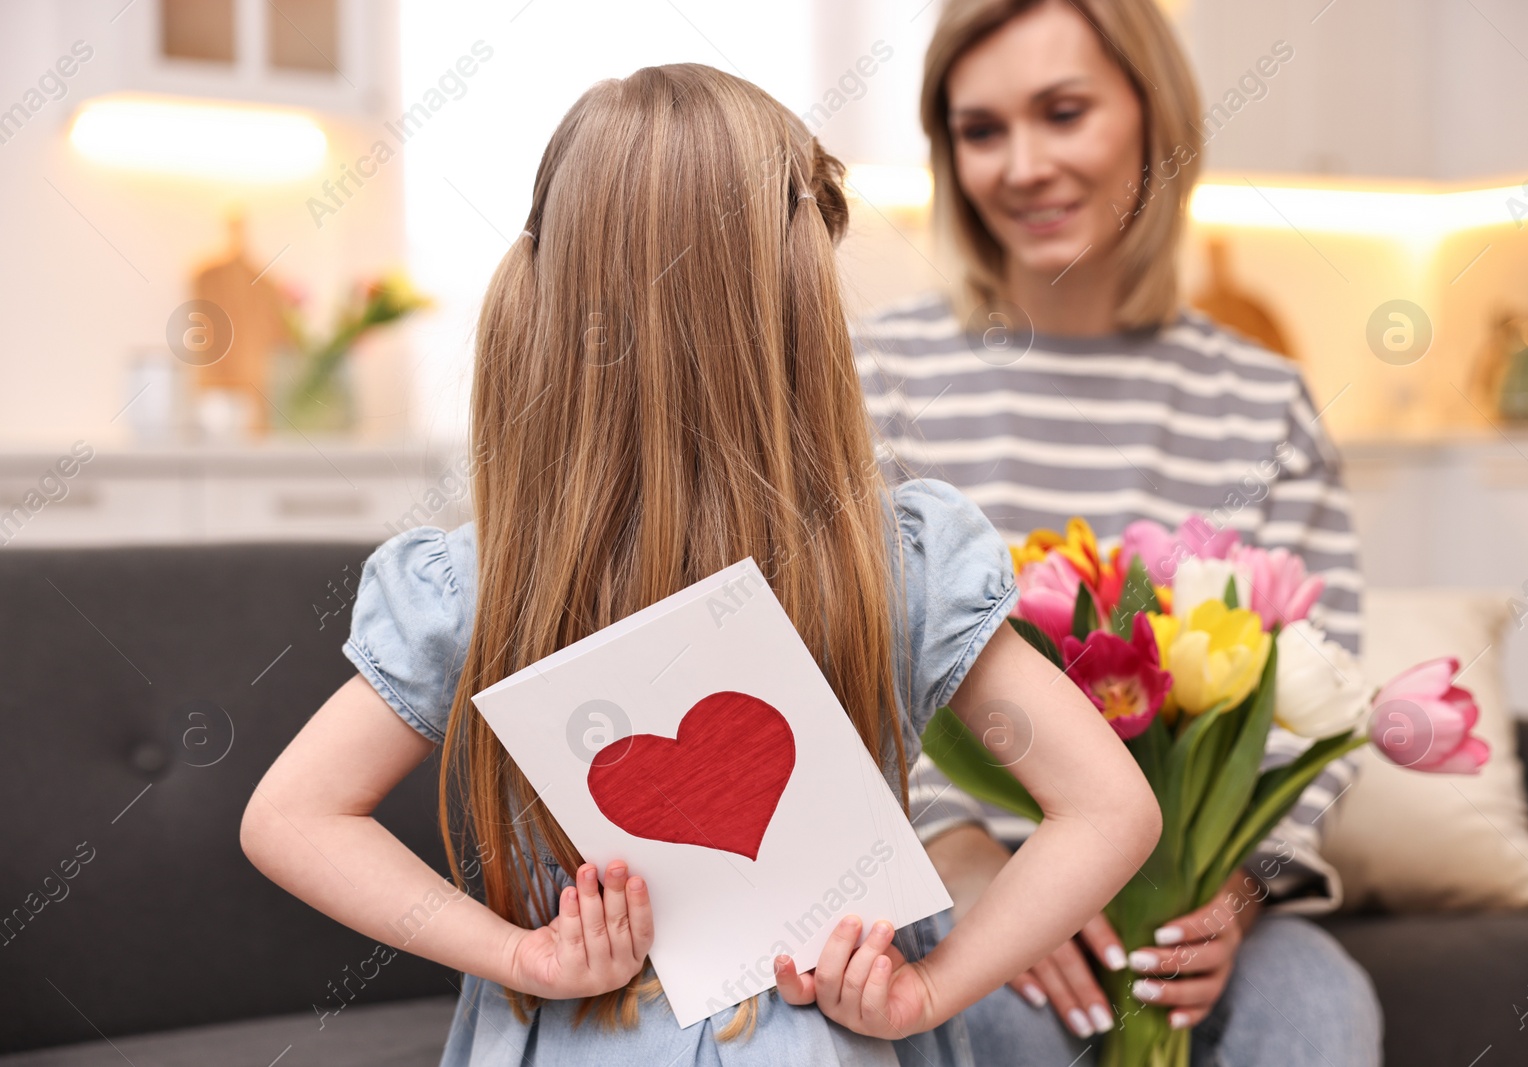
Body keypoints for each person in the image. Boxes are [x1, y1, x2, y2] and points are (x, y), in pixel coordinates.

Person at [239, 63, 1162, 1067]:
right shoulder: (898, 562)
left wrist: (525, 954)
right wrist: (928, 991)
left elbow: (292, 816)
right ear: (798, 308)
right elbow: (1110, 810)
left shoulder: (477, 580)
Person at [853, 1, 1382, 1064]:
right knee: (998, 1015)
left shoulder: (1260, 399)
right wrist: (972, 866)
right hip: (968, 874)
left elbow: (1328, 683)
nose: (1022, 164)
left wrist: (1230, 898)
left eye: (1063, 112)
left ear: (1154, 116)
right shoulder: (876, 377)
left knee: (1318, 1008)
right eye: (982, 130)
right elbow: (845, 667)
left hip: (1197, 883)